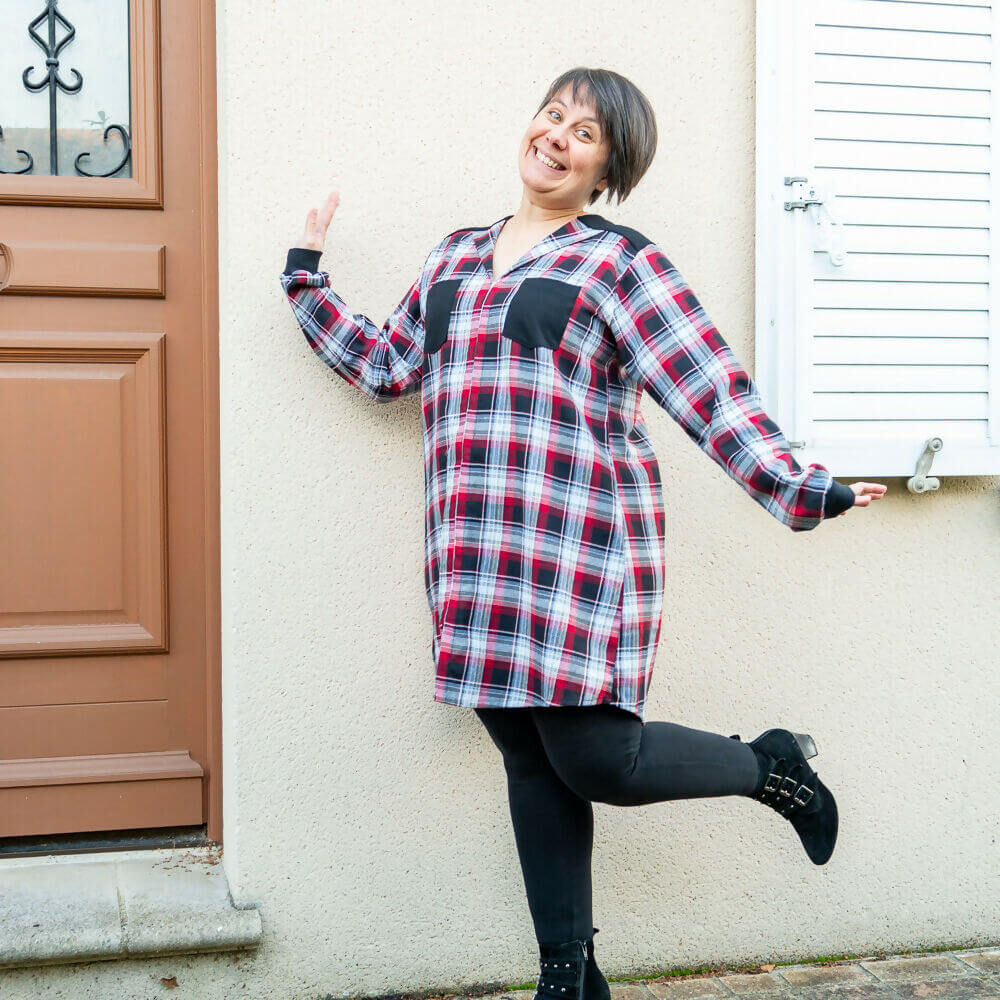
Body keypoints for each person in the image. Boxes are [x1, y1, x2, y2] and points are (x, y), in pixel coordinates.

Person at [280, 67, 887, 1000]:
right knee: (530, 760)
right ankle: (568, 974)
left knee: (603, 758)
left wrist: (802, 487)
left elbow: (706, 387)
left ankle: (771, 766)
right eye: (553, 116)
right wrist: (306, 281)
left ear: (610, 167)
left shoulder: (619, 264)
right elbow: (388, 365)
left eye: (586, 133)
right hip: (475, 559)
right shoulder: (452, 257)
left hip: (579, 558)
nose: (558, 137)